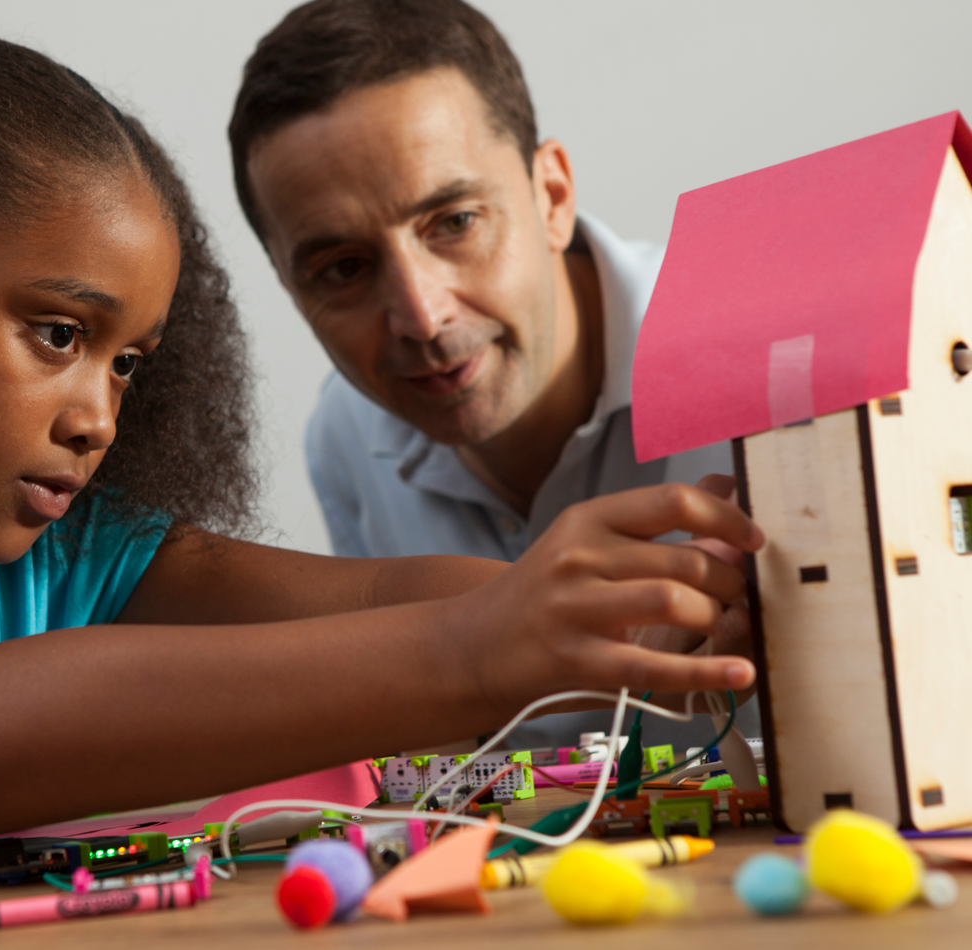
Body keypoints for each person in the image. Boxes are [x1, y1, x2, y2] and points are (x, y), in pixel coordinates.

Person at [0, 0, 760, 923]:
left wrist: (625, 615)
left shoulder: (69, 554)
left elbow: (380, 593)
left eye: (128, 364)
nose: (97, 415)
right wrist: (484, 645)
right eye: (57, 334)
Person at [228, 0, 754, 747]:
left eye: (455, 222)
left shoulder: (779, 368)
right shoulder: (344, 438)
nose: (421, 315)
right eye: (344, 267)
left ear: (553, 198)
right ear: (289, 289)